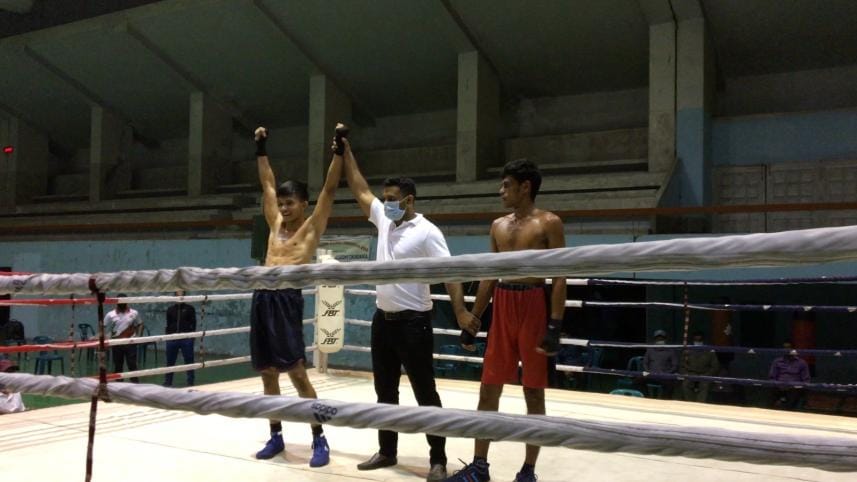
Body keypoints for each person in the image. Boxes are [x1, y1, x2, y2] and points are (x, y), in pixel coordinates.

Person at [340, 134, 478, 481]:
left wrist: (460, 311)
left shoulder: (428, 232)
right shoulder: (385, 220)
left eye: (392, 199)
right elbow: (359, 188)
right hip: (382, 321)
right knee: (384, 391)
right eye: (385, 199)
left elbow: (450, 273)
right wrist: (346, 150)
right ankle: (387, 451)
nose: (386, 204)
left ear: (409, 200)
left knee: (425, 393)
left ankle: (438, 459)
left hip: (414, 324)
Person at [447, 159, 566, 482]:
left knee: (534, 392)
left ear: (525, 187)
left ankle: (528, 471)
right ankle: (479, 466)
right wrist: (474, 319)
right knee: (488, 388)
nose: (501, 191)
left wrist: (555, 324)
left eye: (506, 185)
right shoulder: (497, 225)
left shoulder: (549, 223)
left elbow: (559, 276)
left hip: (534, 304)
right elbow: (490, 274)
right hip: (502, 303)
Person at [248, 125, 343, 467]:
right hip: (262, 298)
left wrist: (339, 151)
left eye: (290, 203)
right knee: (267, 373)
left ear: (303, 204)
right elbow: (267, 182)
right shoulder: (274, 223)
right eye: (282, 204)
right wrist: (261, 147)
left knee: (298, 374)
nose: (285, 208)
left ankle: (319, 437)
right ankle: (275, 435)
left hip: (287, 301)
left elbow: (330, 189)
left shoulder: (312, 227)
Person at [104, 294, 141, 383]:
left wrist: (139, 336)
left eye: (124, 302)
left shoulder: (134, 313)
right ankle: (119, 385)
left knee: (132, 364)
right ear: (117, 302)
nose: (122, 304)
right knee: (118, 365)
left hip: (130, 342)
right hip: (116, 343)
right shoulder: (110, 314)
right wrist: (105, 338)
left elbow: (140, 324)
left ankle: (135, 384)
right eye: (120, 302)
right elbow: (103, 326)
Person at [163, 289, 197, 387]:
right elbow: (168, 323)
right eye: (177, 294)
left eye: (181, 294)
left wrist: (192, 336)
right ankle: (168, 382)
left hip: (186, 338)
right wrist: (168, 335)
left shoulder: (190, 309)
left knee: (189, 360)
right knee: (170, 361)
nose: (179, 296)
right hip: (172, 338)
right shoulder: (170, 309)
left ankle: (190, 382)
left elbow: (193, 323)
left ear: (184, 296)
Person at [769, 341, 810, 410]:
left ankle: (789, 410)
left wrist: (797, 386)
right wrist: (778, 385)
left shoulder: (802, 363)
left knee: (793, 396)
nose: (786, 350)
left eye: (788, 348)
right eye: (785, 348)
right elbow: (772, 377)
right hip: (779, 387)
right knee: (771, 392)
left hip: (794, 388)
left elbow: (806, 380)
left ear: (793, 349)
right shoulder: (777, 361)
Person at [681, 331, 719, 403]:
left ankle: (700, 404)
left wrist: (707, 375)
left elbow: (715, 366)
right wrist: (686, 374)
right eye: (696, 340)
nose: (698, 342)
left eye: (699, 340)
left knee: (704, 385)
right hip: (691, 374)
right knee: (685, 385)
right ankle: (691, 403)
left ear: (703, 340)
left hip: (705, 374)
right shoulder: (687, 350)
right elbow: (682, 364)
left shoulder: (710, 350)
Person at [643, 329, 677, 398]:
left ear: (665, 339)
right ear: (655, 340)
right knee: (637, 381)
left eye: (661, 339)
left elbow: (675, 365)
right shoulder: (650, 350)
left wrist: (667, 373)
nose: (659, 340)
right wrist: (648, 371)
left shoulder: (671, 351)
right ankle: (647, 398)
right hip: (651, 374)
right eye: (658, 339)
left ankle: (663, 401)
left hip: (664, 376)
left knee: (670, 384)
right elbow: (645, 363)